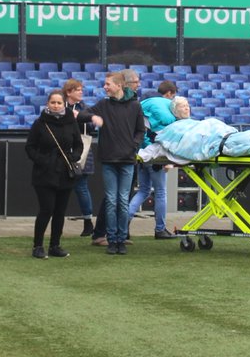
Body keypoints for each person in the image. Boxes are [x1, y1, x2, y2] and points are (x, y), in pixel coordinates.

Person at [90, 70, 145, 255]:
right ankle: (112, 239)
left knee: (122, 201)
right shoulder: (103, 104)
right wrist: (91, 118)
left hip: (127, 160)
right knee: (112, 201)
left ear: (119, 85)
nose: (105, 87)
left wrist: (133, 145)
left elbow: (140, 131)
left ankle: (122, 239)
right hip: (108, 159)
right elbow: (85, 113)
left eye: (108, 84)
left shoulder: (135, 106)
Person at [25, 89, 83, 259]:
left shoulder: (71, 121)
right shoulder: (40, 123)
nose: (56, 106)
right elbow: (30, 147)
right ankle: (37, 246)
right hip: (44, 173)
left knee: (60, 211)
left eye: (59, 102)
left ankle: (55, 245)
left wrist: (74, 156)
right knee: (46, 210)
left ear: (63, 104)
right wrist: (43, 160)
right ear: (47, 104)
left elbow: (79, 144)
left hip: (65, 172)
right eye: (53, 102)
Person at [128, 80, 178, 240]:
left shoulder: (142, 103)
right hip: (155, 155)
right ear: (169, 94)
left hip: (141, 154)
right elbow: (167, 133)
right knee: (161, 192)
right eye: (173, 96)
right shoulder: (165, 107)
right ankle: (160, 229)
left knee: (142, 191)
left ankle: (123, 224)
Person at [63, 78, 98, 237]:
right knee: (60, 186)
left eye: (81, 89)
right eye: (77, 89)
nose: (81, 92)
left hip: (81, 149)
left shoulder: (85, 108)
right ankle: (58, 221)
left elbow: (92, 127)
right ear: (69, 92)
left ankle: (88, 222)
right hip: (62, 150)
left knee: (81, 187)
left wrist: (80, 117)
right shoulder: (59, 105)